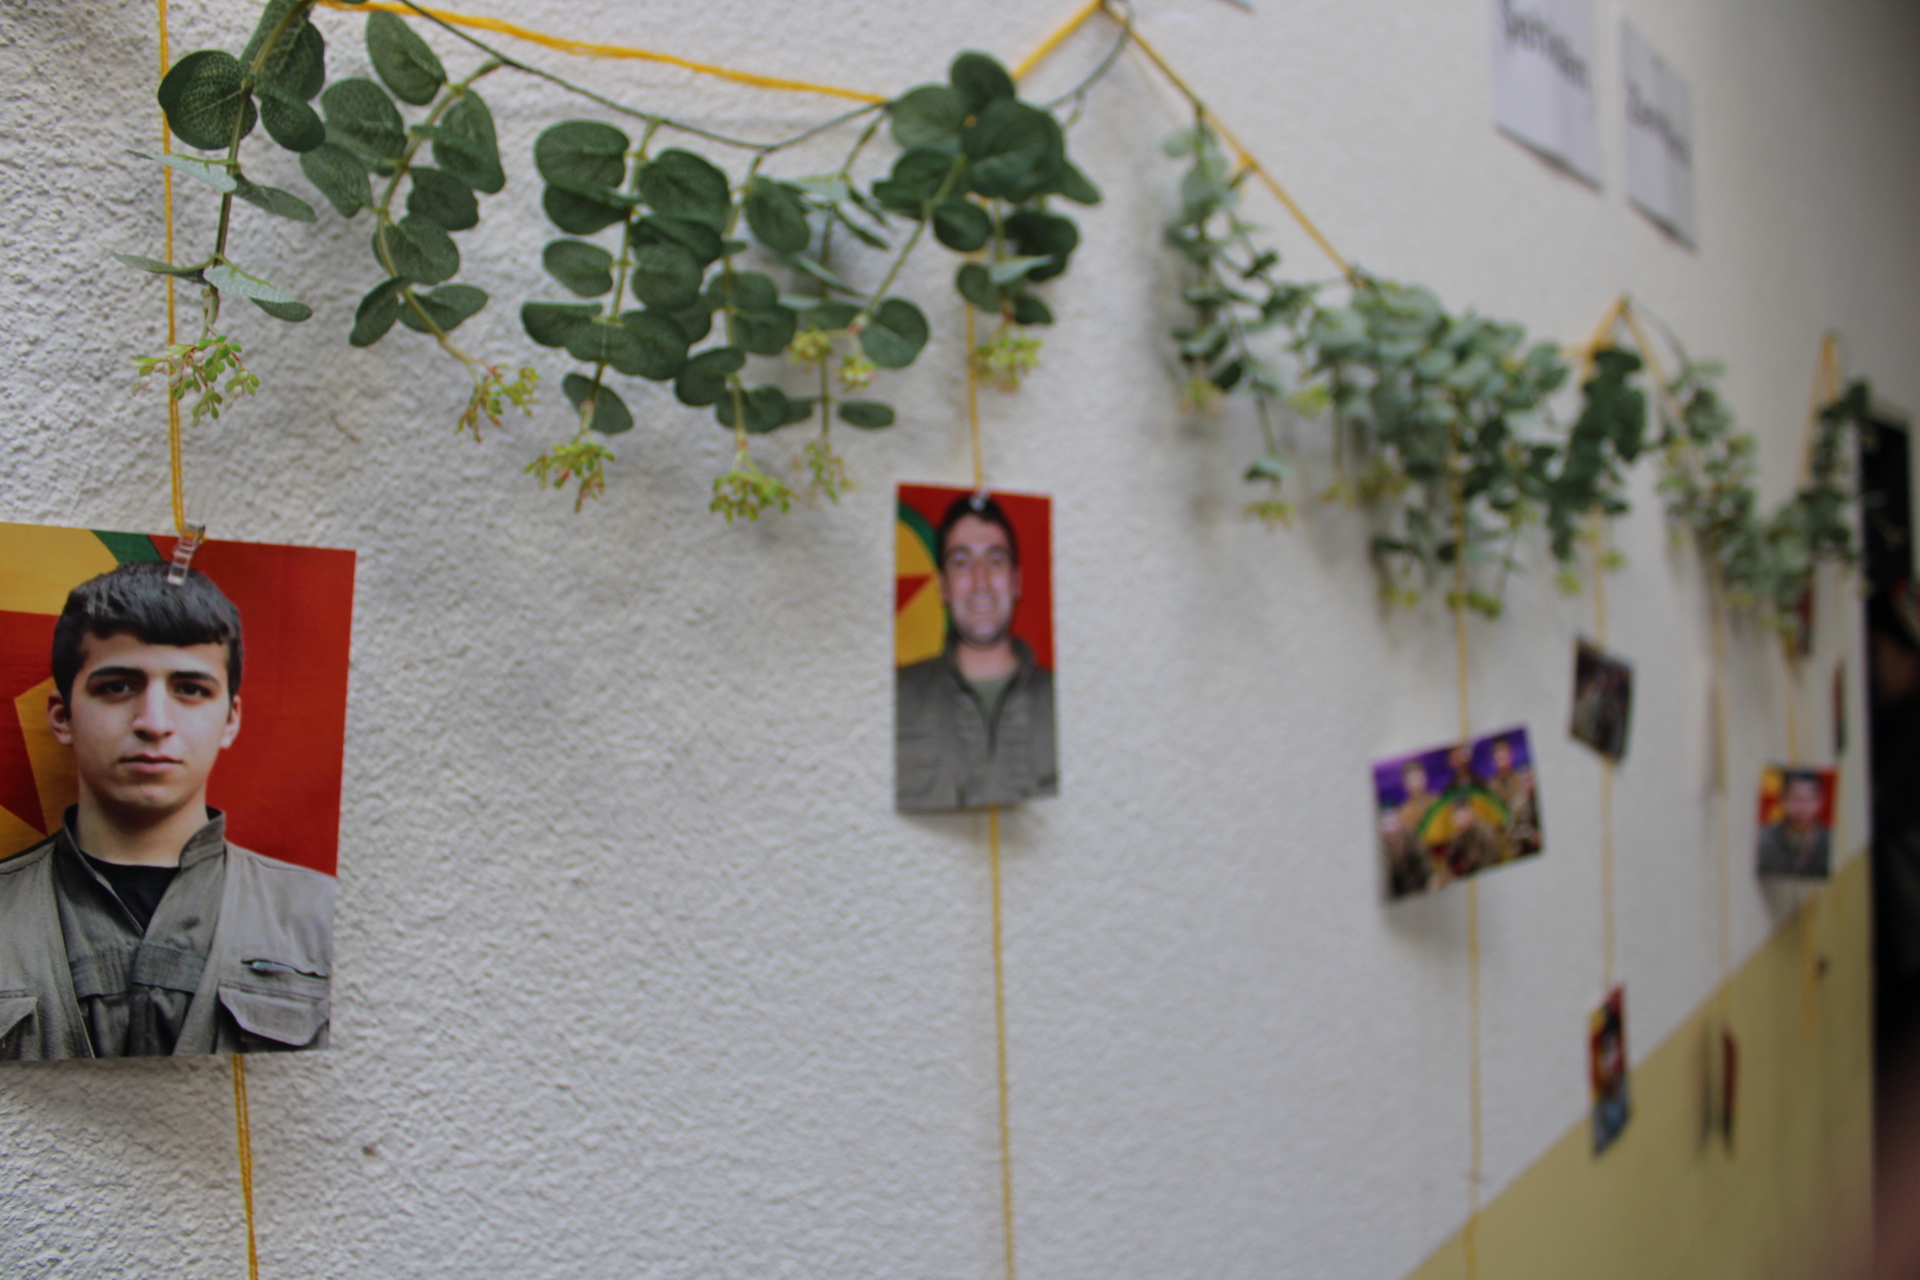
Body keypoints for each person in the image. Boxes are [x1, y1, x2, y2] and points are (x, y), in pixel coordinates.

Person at [0, 562, 333, 1060]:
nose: (154, 723)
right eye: (118, 686)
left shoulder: (327, 919)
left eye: (191, 689)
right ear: (63, 716)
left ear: (230, 719)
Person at [896, 493, 1058, 811]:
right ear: (943, 586)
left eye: (995, 561)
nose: (980, 582)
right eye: (961, 562)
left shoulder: (1060, 697)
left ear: (1016, 581)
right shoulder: (898, 696)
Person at [1756, 768, 1832, 878]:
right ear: (1782, 799)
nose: (1801, 808)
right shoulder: (1763, 839)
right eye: (1794, 798)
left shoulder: (1831, 841)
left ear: (1821, 801)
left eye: (1809, 799)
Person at [1487, 734, 1542, 855]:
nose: (1502, 761)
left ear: (1511, 755)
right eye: (1498, 758)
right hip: (1505, 838)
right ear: (1493, 760)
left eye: (1505, 756)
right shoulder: (1491, 787)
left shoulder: (1523, 779)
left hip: (1526, 834)